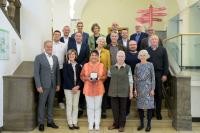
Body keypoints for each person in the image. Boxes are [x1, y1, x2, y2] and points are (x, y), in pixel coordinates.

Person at [34, 40, 60, 131]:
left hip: (53, 85)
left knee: (51, 104)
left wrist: (58, 84)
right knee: (41, 104)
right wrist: (38, 85)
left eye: (51, 47)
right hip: (43, 86)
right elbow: (36, 73)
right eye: (48, 47)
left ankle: (50, 121)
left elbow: (57, 72)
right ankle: (41, 122)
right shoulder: (39, 57)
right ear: (44, 47)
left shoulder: (55, 58)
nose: (50, 48)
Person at [80, 50, 107, 131]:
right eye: (92, 55)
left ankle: (97, 123)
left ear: (98, 57)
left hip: (99, 88)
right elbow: (81, 76)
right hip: (88, 88)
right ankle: (91, 123)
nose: (94, 56)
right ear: (90, 56)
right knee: (90, 107)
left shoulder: (102, 65)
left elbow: (105, 76)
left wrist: (99, 78)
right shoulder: (85, 65)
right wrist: (88, 78)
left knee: (98, 107)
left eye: (95, 55)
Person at [108, 50, 133, 132]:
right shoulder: (111, 67)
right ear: (116, 57)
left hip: (124, 92)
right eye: (119, 56)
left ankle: (122, 125)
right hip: (113, 91)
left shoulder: (128, 68)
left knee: (123, 109)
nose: (120, 57)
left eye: (122, 56)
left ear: (124, 57)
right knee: (115, 109)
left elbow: (131, 80)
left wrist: (131, 92)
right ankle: (116, 124)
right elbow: (109, 76)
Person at [146, 35, 169, 120]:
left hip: (159, 74)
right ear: (150, 41)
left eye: (155, 39)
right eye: (152, 39)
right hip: (148, 75)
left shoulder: (163, 50)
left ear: (158, 41)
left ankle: (158, 112)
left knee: (159, 95)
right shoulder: (147, 50)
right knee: (150, 94)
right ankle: (151, 112)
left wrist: (165, 74)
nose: (154, 40)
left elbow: (166, 63)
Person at [68, 32, 90, 117]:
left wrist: (81, 64)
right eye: (76, 36)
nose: (78, 37)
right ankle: (74, 107)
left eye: (79, 36)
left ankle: (81, 107)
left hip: (83, 68)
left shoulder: (86, 45)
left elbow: (87, 57)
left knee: (82, 85)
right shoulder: (71, 45)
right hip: (73, 67)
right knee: (74, 84)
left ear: (82, 37)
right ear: (74, 37)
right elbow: (69, 56)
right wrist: (75, 63)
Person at [134, 50, 155, 132]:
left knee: (149, 106)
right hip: (139, 88)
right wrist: (135, 89)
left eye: (144, 55)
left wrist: (153, 89)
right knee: (140, 106)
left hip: (148, 87)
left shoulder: (150, 64)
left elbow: (153, 77)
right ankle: (142, 124)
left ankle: (149, 124)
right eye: (141, 55)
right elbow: (135, 77)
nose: (142, 56)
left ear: (147, 56)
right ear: (139, 56)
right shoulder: (137, 65)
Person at [63, 49, 82, 130]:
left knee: (75, 106)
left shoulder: (78, 65)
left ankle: (75, 122)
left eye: (73, 54)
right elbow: (65, 77)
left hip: (77, 88)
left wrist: (78, 86)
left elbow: (81, 77)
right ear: (68, 56)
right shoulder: (65, 65)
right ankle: (70, 123)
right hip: (68, 88)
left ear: (75, 56)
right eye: (70, 54)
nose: (71, 56)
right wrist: (72, 87)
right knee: (69, 105)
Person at [96, 36, 111, 118]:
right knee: (96, 93)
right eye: (100, 41)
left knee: (103, 93)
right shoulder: (93, 51)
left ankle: (104, 111)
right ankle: (97, 109)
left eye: (103, 42)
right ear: (97, 42)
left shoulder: (107, 52)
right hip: (95, 75)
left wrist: (108, 71)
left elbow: (109, 62)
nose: (101, 43)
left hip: (104, 75)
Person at [52, 30, 67, 109]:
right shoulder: (50, 44)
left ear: (60, 36)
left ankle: (60, 101)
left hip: (61, 68)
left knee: (60, 85)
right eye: (55, 34)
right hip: (51, 68)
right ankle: (50, 101)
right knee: (51, 84)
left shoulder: (64, 45)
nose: (57, 36)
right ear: (53, 35)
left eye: (58, 35)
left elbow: (66, 56)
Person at [125, 40, 140, 116]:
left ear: (136, 45)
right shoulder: (125, 54)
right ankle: (127, 112)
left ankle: (140, 111)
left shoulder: (140, 54)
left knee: (139, 94)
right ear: (129, 46)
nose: (133, 46)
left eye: (134, 44)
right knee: (128, 95)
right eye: (131, 45)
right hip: (128, 77)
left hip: (139, 77)